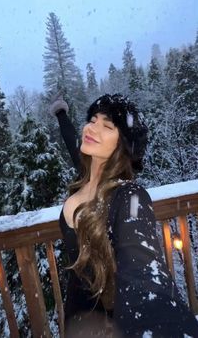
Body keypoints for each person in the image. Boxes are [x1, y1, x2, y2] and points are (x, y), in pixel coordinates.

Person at [50, 92, 198, 337]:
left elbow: (144, 276)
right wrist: (61, 113)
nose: (92, 127)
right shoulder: (85, 178)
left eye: (107, 125)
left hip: (111, 326)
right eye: (93, 119)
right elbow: (71, 140)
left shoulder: (129, 196)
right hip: (78, 321)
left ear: (122, 146)